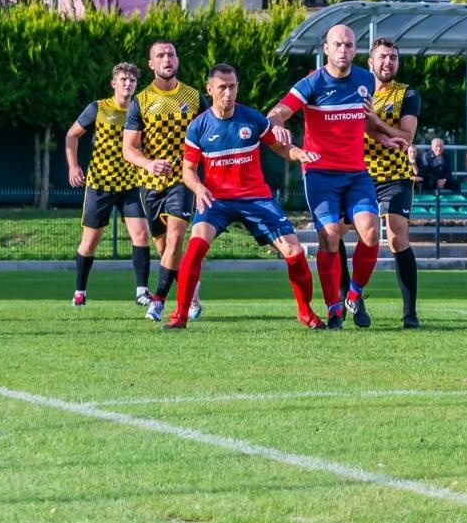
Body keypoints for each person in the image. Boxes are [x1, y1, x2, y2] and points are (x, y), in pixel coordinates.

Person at [266, 24, 408, 330]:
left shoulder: (365, 80)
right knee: (329, 235)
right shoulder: (312, 83)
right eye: (337, 45)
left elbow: (362, 120)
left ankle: (354, 295)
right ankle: (333, 308)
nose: (343, 50)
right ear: (326, 49)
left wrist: (382, 137)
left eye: (348, 45)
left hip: (356, 172)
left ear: (355, 50)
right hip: (319, 173)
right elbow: (276, 112)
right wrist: (278, 125)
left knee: (371, 233)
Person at [163, 64, 324, 329]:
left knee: (295, 252)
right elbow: (188, 171)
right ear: (210, 89)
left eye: (233, 86)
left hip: (256, 198)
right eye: (222, 87)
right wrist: (199, 188)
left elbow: (282, 148)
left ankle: (305, 312)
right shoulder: (198, 127)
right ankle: (180, 315)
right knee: (194, 249)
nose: (228, 93)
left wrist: (298, 153)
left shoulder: (252, 118)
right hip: (216, 201)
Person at [122, 40, 203, 322]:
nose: (166, 58)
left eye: (171, 54)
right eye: (160, 55)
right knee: (164, 248)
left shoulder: (194, 98)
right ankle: (190, 290)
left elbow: (210, 134)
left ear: (177, 60)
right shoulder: (141, 102)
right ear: (151, 64)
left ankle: (158, 301)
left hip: (184, 179)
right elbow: (128, 148)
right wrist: (149, 163)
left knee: (176, 236)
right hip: (150, 184)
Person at [64, 62, 152, 307]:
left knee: (142, 234)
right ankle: (80, 291)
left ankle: (142, 292)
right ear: (114, 83)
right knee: (90, 242)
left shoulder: (141, 110)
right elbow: (71, 135)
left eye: (132, 80)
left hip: (131, 185)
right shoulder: (98, 108)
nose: (128, 83)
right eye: (123, 79)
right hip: (100, 184)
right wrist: (73, 165)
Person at [359, 38, 423, 327]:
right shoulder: (356, 89)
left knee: (397, 236)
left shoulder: (408, 94)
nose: (388, 62)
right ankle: (353, 298)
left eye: (393, 57)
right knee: (341, 232)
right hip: (359, 174)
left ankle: (410, 313)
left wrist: (376, 120)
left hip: (395, 174)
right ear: (370, 62)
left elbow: (405, 139)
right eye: (383, 57)